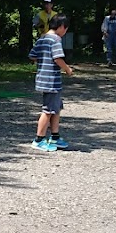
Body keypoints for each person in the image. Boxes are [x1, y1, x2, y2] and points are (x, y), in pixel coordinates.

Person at [28, 13, 74, 151]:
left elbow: (32, 56)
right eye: (65, 29)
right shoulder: (55, 40)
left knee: (56, 108)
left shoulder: (42, 39)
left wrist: (43, 60)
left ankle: (55, 136)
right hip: (51, 80)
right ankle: (39, 139)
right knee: (48, 110)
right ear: (60, 27)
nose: (65, 32)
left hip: (43, 78)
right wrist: (67, 69)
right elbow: (58, 58)